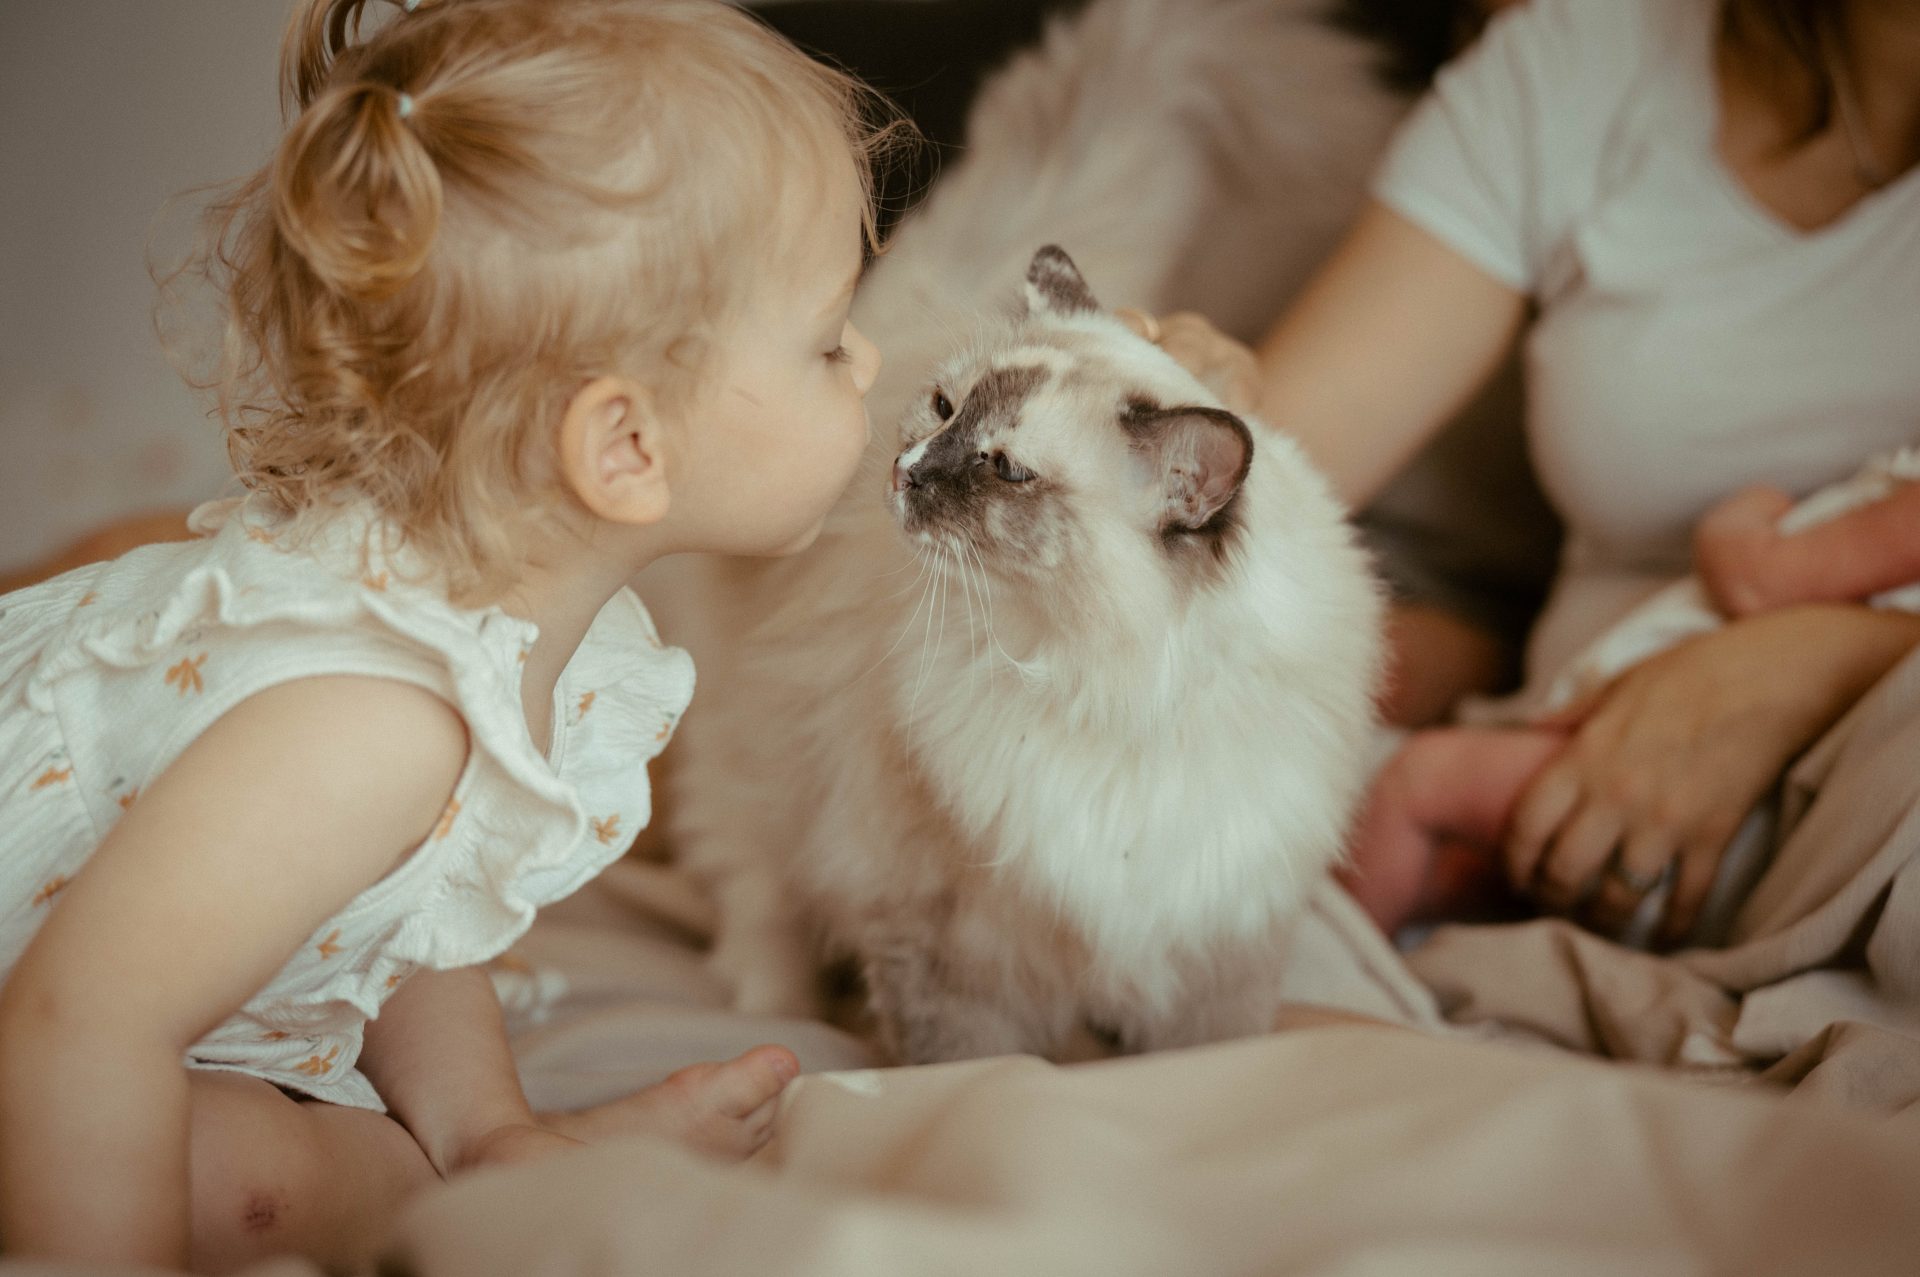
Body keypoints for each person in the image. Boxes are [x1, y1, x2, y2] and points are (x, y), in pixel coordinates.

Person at [0, 0, 896, 1270]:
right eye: (827, 340)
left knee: (336, 1146)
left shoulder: (483, 622)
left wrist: (486, 1125)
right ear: (626, 445)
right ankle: (425, 1186)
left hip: (67, 1003)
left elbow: (404, 906)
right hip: (47, 1024)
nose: (869, 363)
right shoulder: (362, 721)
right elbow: (75, 1024)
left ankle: (489, 1159)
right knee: (249, 1177)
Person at [1125, 0, 1920, 945]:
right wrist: (1192, 408)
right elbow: (1276, 470)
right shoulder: (1588, 63)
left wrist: (1814, 666)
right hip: (1560, 789)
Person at [1343, 449, 1920, 944]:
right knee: (1463, 869)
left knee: (1419, 780)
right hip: (1761, 841)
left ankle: (1334, 966)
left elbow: (1758, 580)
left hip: (1701, 799)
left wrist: (1749, 511)